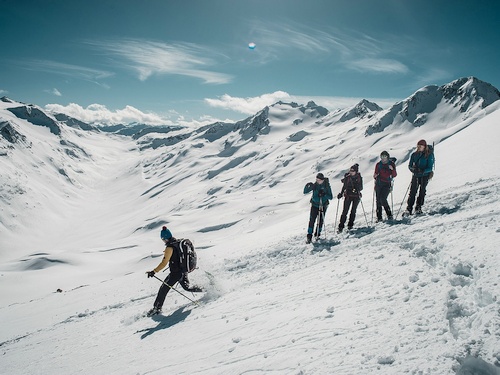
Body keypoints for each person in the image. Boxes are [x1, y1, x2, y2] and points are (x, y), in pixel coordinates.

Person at [146, 226, 202, 317]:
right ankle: (207, 289)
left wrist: (154, 271)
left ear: (164, 239)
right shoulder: (177, 243)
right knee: (187, 287)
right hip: (182, 271)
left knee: (163, 289)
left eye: (163, 239)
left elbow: (164, 263)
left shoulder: (169, 248)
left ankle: (156, 309)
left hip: (175, 274)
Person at [405, 139, 435, 215]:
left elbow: (430, 167)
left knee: (422, 191)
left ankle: (418, 207)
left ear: (424, 147)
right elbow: (410, 165)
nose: (419, 147)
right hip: (416, 175)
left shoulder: (429, 155)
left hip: (424, 176)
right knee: (412, 192)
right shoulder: (414, 155)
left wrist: (422, 171)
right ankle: (409, 208)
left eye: (421, 146)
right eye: (418, 146)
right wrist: (413, 170)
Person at [304, 173, 333, 243]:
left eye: (319, 180)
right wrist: (307, 186)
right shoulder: (315, 185)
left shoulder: (326, 186)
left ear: (322, 180)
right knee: (312, 221)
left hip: (323, 205)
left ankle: (317, 234)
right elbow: (305, 192)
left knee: (320, 221)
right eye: (317, 179)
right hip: (314, 205)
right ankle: (309, 236)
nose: (318, 181)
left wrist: (324, 194)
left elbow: (331, 197)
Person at [337, 164, 363, 232]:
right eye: (350, 170)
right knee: (345, 211)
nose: (351, 172)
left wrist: (357, 188)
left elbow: (361, 187)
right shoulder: (348, 178)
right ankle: (341, 226)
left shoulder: (359, 178)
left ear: (356, 171)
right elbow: (344, 186)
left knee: (353, 211)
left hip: (356, 196)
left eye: (352, 171)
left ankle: (350, 225)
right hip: (348, 196)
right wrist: (341, 193)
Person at [373, 151, 397, 222]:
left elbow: (394, 175)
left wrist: (392, 169)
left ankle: (389, 215)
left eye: (384, 157)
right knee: (378, 201)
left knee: (383, 199)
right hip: (379, 183)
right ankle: (379, 217)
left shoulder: (391, 164)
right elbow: (375, 173)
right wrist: (375, 176)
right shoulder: (378, 164)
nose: (383, 158)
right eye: (382, 157)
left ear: (387, 157)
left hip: (387, 184)